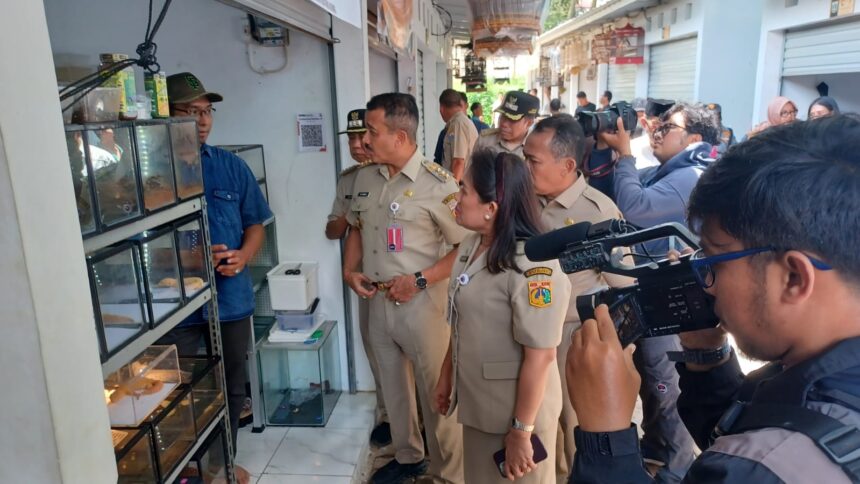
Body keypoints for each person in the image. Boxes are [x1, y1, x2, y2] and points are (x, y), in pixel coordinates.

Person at [567, 114, 860, 483]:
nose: (706, 284)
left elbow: (747, 462)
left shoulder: (766, 468)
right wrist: (706, 356)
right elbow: (741, 435)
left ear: (793, 278)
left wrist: (604, 435)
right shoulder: (814, 386)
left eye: (713, 260)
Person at [593, 102, 722, 482]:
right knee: (653, 379)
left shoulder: (690, 176)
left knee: (666, 384)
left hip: (674, 296)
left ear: (694, 138)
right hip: (653, 289)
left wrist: (626, 155)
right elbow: (614, 194)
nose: (658, 132)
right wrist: (608, 152)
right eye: (659, 125)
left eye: (669, 127)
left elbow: (635, 207)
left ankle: (675, 467)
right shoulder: (668, 173)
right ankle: (656, 449)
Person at [343, 93, 466, 483]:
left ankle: (449, 474)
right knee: (394, 389)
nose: (364, 140)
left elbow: (466, 248)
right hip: (378, 301)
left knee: (437, 395)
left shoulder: (438, 184)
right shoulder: (366, 177)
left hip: (423, 305)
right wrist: (349, 271)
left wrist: (419, 280)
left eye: (371, 131)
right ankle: (410, 456)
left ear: (399, 136)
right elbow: (356, 228)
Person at [433, 150, 571, 483]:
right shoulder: (472, 245)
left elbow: (541, 356)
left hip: (518, 415)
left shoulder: (534, 267)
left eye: (464, 190)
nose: (456, 198)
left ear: (491, 208)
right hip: (478, 405)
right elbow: (462, 322)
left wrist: (521, 432)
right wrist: (447, 374)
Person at [161, 72, 272, 484]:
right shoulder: (150, 172)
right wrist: (186, 258)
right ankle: (186, 469)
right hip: (176, 308)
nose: (203, 120)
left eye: (207, 111)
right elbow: (134, 246)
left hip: (229, 301)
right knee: (181, 392)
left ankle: (219, 466)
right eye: (191, 111)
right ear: (166, 114)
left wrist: (243, 255)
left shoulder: (230, 166)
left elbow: (256, 222)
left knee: (230, 387)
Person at [523, 115, 633, 481]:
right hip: (531, 339)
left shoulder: (597, 212)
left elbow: (625, 285)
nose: (526, 167)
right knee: (541, 431)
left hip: (574, 338)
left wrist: (615, 353)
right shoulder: (526, 203)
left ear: (567, 165)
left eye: (533, 160)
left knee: (576, 433)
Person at [325, 108, 391, 447]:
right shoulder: (349, 179)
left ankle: (422, 419)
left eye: (360, 136)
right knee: (377, 350)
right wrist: (351, 216)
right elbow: (333, 230)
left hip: (403, 276)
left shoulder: (397, 173)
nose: (355, 144)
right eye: (350, 138)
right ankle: (389, 416)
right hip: (367, 278)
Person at [474, 91, 539, 159]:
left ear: (528, 123)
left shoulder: (538, 146)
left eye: (512, 119)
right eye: (503, 116)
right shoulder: (485, 140)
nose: (504, 124)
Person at [439, 88, 479, 181]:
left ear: (441, 108)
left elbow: (459, 162)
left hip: (461, 184)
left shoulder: (459, 123)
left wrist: (453, 189)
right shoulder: (462, 121)